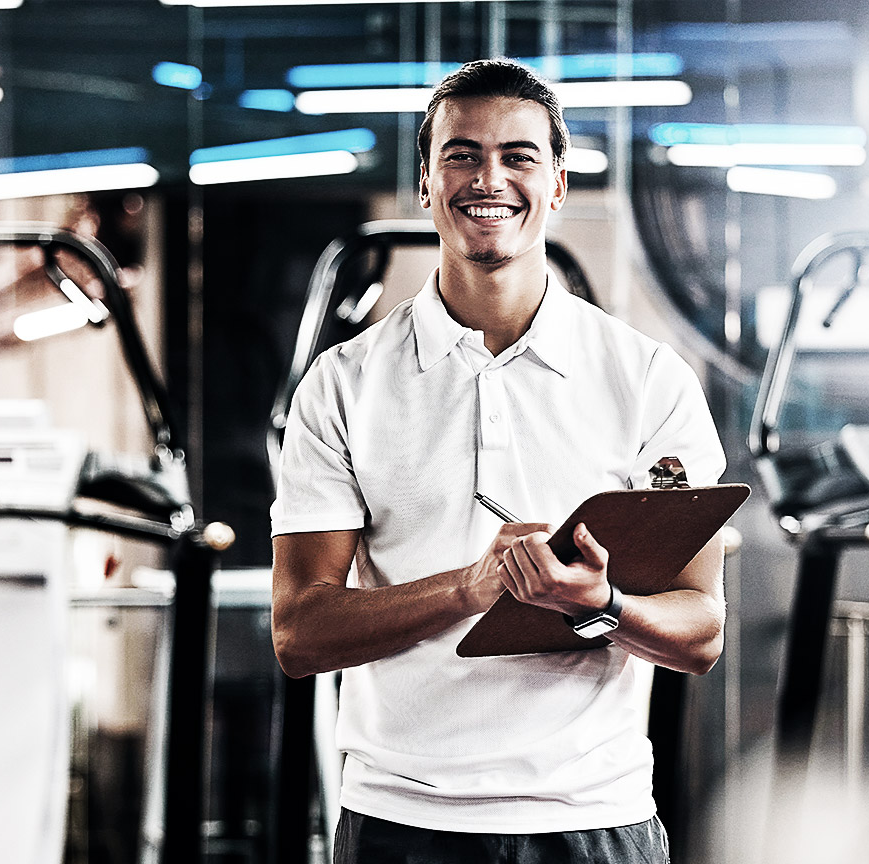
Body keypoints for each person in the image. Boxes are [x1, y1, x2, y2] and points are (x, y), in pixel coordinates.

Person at [270, 58, 727, 864]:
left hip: (595, 817)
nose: (490, 179)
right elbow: (300, 633)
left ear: (555, 185)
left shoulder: (648, 379)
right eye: (462, 155)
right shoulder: (342, 386)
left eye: (518, 156)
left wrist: (603, 605)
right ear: (425, 184)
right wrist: (469, 588)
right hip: (403, 819)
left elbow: (700, 631)